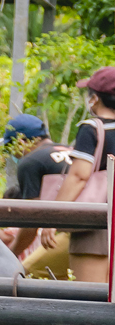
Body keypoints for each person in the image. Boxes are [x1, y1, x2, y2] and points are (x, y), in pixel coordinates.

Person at [53, 67, 115, 285]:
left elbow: (79, 176)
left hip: (96, 225)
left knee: (93, 297)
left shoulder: (92, 129)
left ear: (95, 98)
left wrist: (52, 217)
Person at [0, 112, 69, 274]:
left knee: (21, 275)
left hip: (74, 234)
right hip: (101, 228)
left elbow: (32, 220)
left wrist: (11, 254)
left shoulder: (31, 162)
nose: (12, 154)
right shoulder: (72, 151)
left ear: (21, 142)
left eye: (10, 148)